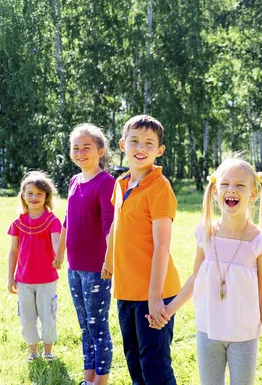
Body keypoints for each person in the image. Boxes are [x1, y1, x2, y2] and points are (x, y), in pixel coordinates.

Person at [147, 154, 262, 385]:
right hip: (208, 331)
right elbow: (195, 278)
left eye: (240, 185)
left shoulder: (260, 240)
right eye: (225, 184)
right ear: (216, 191)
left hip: (243, 335)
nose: (232, 190)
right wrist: (168, 310)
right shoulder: (206, 233)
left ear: (253, 194)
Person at [101, 115, 181, 385]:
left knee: (155, 368)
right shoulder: (121, 183)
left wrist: (155, 297)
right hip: (126, 291)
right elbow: (116, 225)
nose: (141, 148)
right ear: (123, 145)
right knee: (135, 363)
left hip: (155, 294)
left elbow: (162, 245)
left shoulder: (160, 188)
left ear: (159, 150)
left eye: (149, 143)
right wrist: (108, 261)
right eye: (134, 141)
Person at [52, 124, 115, 385]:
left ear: (101, 151)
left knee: (97, 327)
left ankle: (101, 381)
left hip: (97, 269)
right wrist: (59, 254)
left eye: (86, 147)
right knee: (84, 326)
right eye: (75, 148)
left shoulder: (106, 183)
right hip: (74, 267)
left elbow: (110, 226)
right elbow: (68, 221)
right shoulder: (74, 181)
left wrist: (109, 262)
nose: (80, 152)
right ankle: (88, 379)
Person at [7, 171, 62, 362]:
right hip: (24, 280)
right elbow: (13, 251)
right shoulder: (18, 223)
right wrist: (10, 277)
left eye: (39, 193)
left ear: (47, 196)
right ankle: (33, 352)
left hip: (47, 279)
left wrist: (58, 256)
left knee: (48, 314)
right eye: (30, 193)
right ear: (23, 195)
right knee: (26, 317)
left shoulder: (52, 221)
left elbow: (56, 243)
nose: (34, 197)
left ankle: (48, 351)